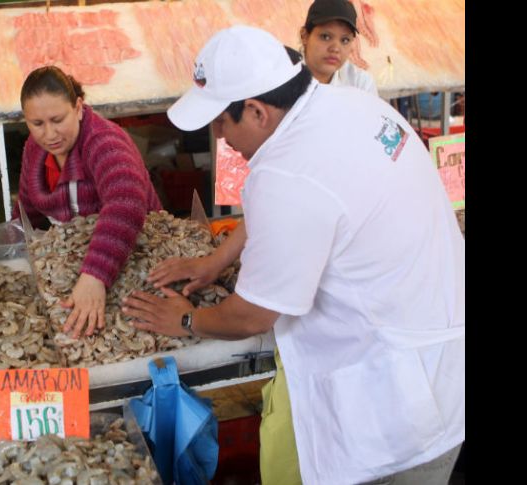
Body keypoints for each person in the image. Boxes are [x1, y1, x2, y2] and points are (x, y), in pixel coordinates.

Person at [122, 26, 464, 485]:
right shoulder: (350, 104)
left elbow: (252, 316)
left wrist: (185, 320)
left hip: (391, 413)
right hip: (441, 362)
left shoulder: (286, 175)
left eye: (221, 121)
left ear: (258, 111)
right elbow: (307, 204)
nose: (218, 134)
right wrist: (214, 262)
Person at [13, 66, 162, 339]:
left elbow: (126, 203)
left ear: (79, 107)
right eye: (37, 124)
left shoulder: (104, 142)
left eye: (57, 119)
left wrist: (95, 276)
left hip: (135, 252)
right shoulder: (34, 150)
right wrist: (14, 252)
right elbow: (26, 209)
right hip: (77, 260)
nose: (49, 134)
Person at [300, 0, 377, 95]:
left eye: (345, 40)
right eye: (325, 37)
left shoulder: (360, 84)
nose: (335, 48)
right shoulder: (283, 77)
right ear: (305, 36)